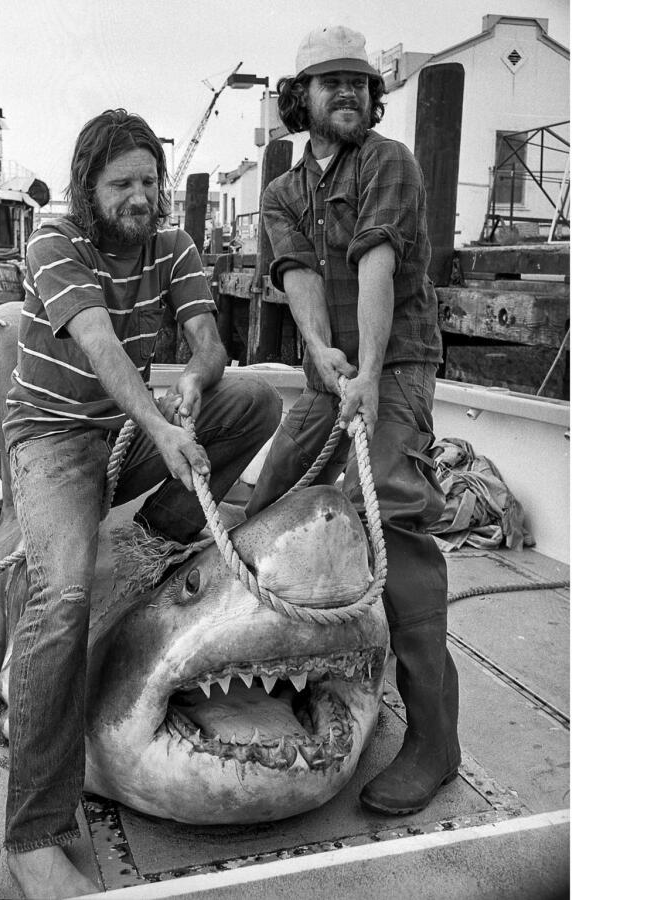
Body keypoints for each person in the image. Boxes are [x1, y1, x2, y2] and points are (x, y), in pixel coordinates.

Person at [0, 109, 281, 898]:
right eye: (123, 182)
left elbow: (208, 338)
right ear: (89, 187)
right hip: (55, 436)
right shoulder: (54, 243)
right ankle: (35, 835)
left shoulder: (176, 245)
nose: (141, 195)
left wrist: (195, 378)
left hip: (131, 425)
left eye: (150, 181)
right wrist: (157, 424)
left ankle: (161, 532)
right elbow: (97, 342)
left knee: (255, 404)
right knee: (64, 598)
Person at [243, 25, 462, 817]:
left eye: (358, 82)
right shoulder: (281, 192)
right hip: (328, 377)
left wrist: (367, 373)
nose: (347, 93)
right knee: (267, 502)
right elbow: (298, 275)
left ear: (374, 96)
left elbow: (377, 262)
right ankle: (278, 667)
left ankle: (436, 741)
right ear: (302, 99)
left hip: (395, 368)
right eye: (329, 82)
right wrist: (325, 359)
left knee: (395, 521)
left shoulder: (389, 164)